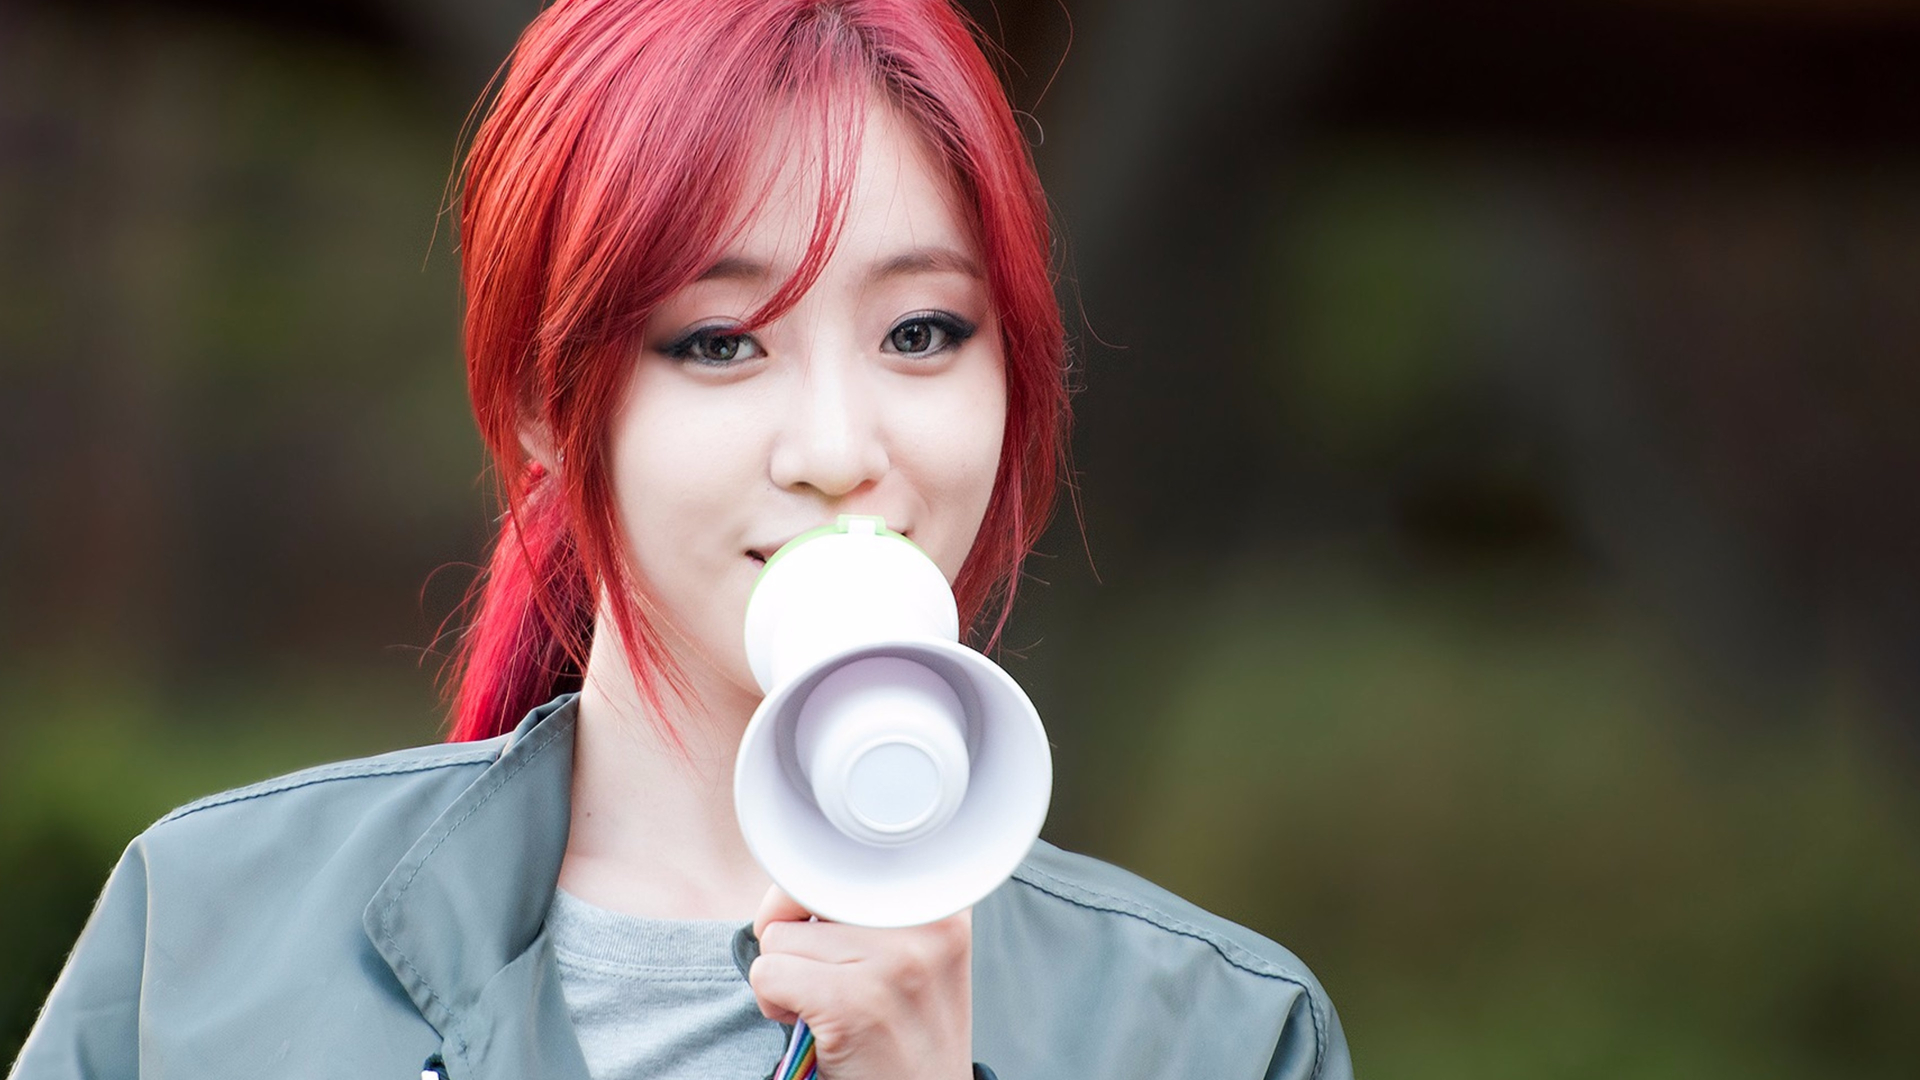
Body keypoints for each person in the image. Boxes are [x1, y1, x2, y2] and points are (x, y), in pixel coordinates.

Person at [12, 1, 1352, 1078]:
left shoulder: (1219, 1034)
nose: (837, 447)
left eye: (921, 332)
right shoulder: (212, 935)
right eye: (720, 343)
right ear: (543, 400)